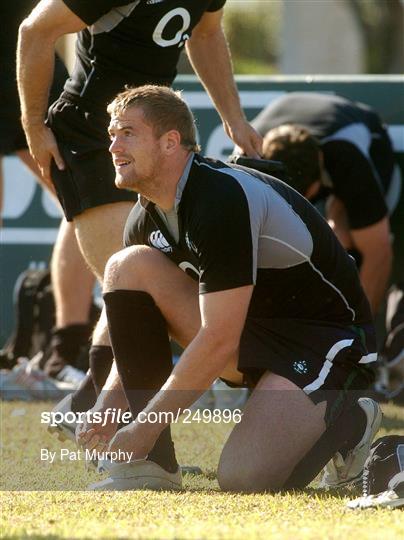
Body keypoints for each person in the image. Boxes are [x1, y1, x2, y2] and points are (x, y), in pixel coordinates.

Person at [77, 85, 381, 492]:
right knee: (127, 266)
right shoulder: (144, 217)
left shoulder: (219, 197)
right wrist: (109, 403)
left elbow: (218, 338)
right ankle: (151, 467)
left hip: (325, 342)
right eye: (111, 133)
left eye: (127, 132)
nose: (113, 145)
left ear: (171, 142)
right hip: (253, 336)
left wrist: (144, 427)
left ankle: (352, 422)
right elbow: (134, 332)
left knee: (244, 478)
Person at [17, 0, 262, 413]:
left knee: (134, 287)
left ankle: (86, 409)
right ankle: (128, 437)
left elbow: (205, 33)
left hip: (150, 143)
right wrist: (34, 126)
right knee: (137, 284)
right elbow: (35, 30)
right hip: (92, 138)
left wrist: (234, 119)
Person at [0, 1, 95, 383]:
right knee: (82, 201)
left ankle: (64, 352)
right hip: (29, 55)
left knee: (83, 201)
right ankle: (63, 353)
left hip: (29, 60)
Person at [251, 91, 401, 317]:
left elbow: (378, 254)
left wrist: (359, 334)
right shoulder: (248, 157)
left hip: (358, 135)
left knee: (346, 240)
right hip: (297, 121)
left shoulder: (345, 157)